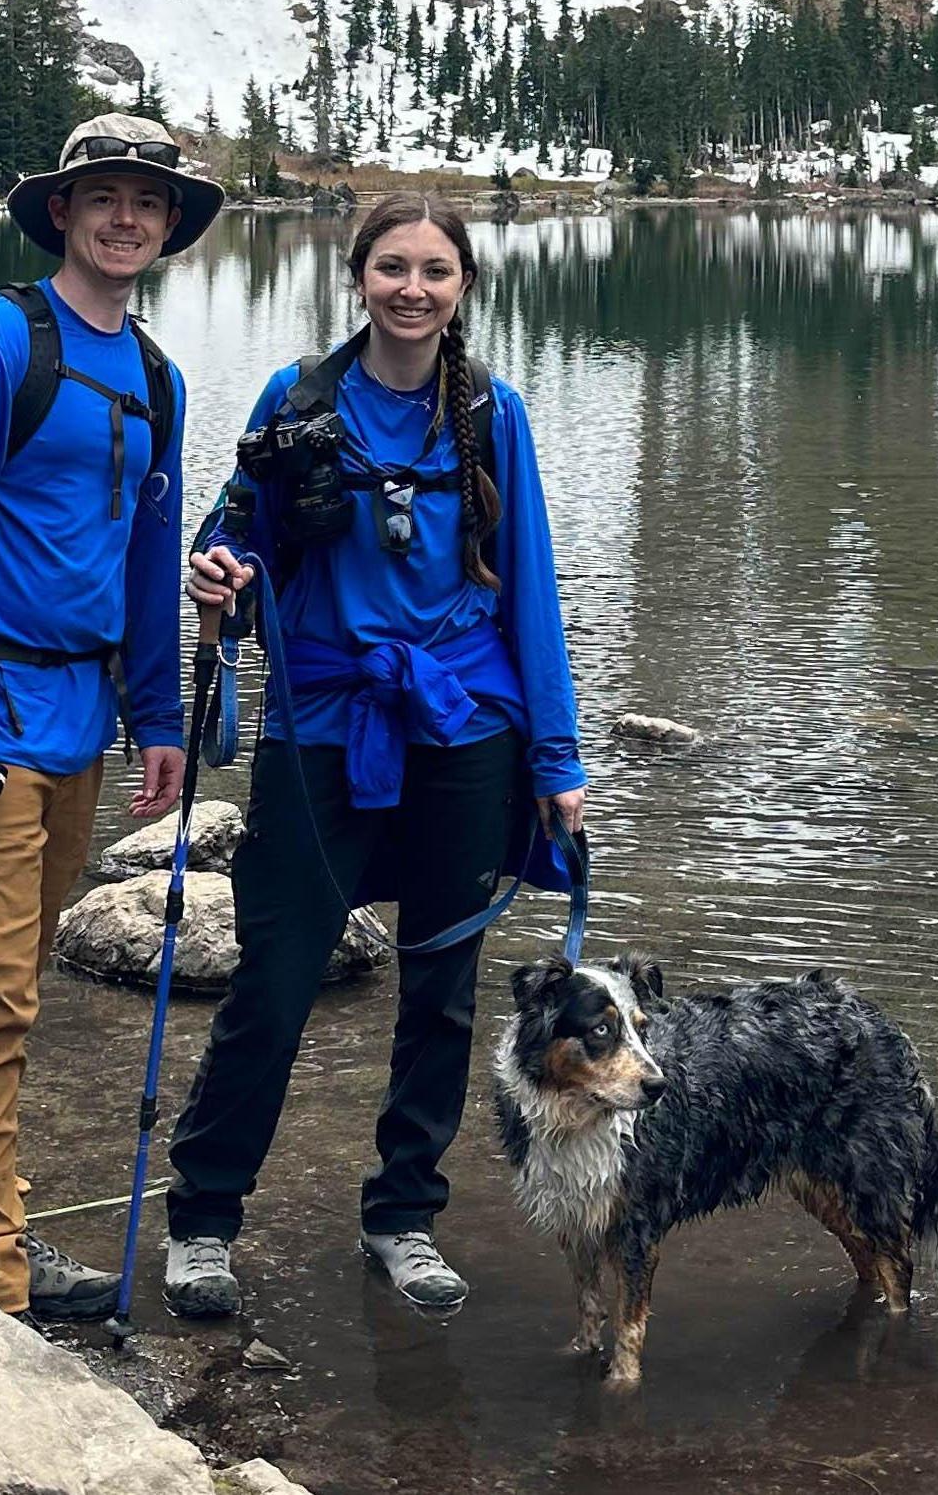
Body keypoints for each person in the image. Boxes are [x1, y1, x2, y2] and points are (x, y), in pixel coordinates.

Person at [162, 189, 587, 1322]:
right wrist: (218, 572)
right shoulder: (297, 397)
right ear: (358, 278)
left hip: (466, 730)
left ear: (462, 289)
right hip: (321, 721)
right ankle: (204, 1218)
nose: (412, 288)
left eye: (434, 271)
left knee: (440, 989)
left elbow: (531, 592)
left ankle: (403, 1215)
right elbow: (226, 531)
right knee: (273, 980)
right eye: (391, 267)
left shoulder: (493, 415)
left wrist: (557, 758)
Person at [0, 110, 221, 1322]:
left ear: (169, 224)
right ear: (63, 213)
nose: (126, 216)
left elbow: (141, 558)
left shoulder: (157, 376)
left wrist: (159, 714)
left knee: (4, 987)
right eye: (104, 196)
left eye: (149, 200)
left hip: (78, 724)